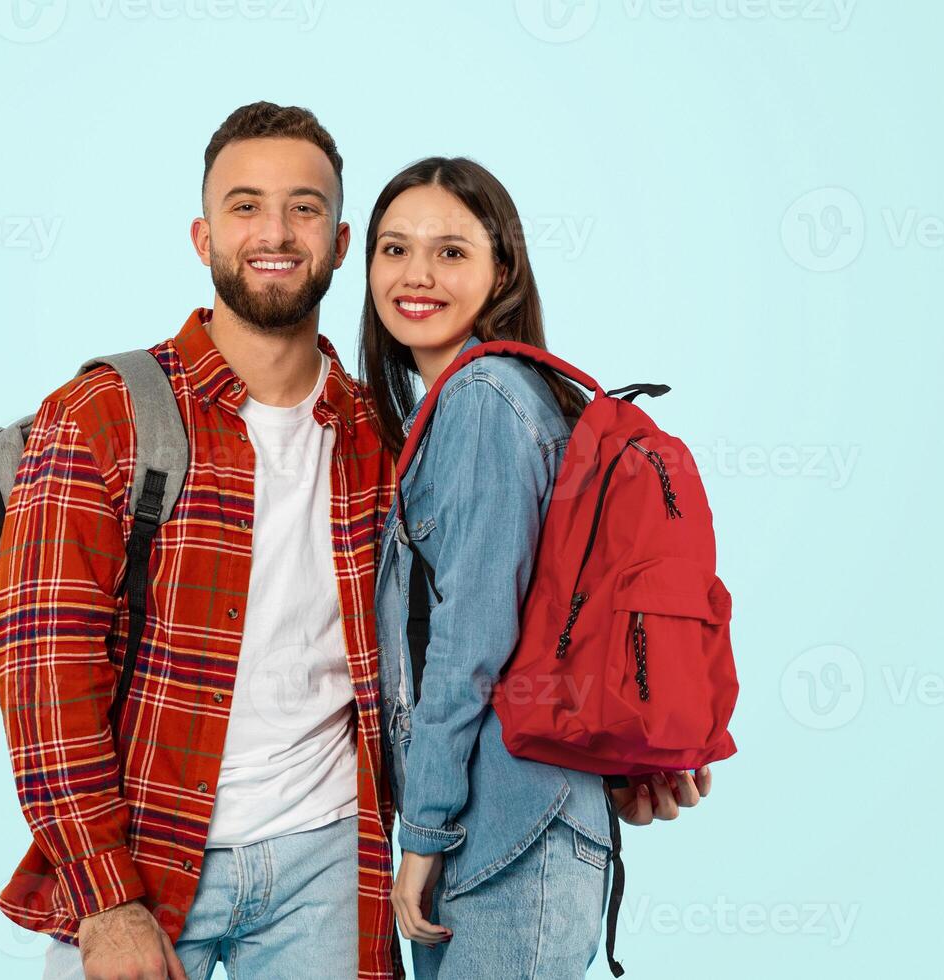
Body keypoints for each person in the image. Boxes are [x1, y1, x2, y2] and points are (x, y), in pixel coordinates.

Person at [0, 102, 401, 980]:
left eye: (304, 206)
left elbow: (472, 633)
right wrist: (104, 899)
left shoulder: (379, 432)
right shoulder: (102, 417)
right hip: (144, 854)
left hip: (329, 862)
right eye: (246, 205)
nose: (275, 231)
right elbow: (44, 672)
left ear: (339, 239)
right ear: (203, 234)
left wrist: (625, 756)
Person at [360, 157, 714, 978]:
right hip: (535, 824)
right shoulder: (496, 401)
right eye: (393, 249)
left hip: (502, 834)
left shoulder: (484, 400)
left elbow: (470, 638)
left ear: (501, 270)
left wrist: (425, 830)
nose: (417, 275)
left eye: (451, 252)